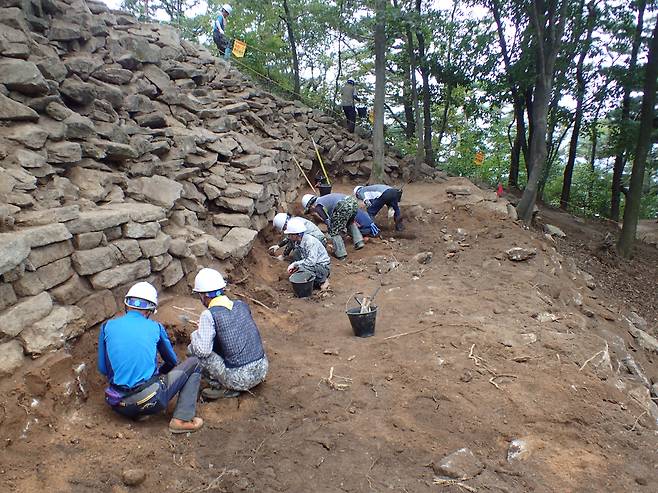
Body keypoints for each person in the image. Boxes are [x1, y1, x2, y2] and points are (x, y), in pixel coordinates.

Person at [98, 282, 203, 434]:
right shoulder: (156, 327)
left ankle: (138, 412)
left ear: (127, 305)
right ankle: (182, 419)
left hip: (118, 404)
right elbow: (172, 362)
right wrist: (160, 373)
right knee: (194, 363)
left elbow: (102, 368)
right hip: (149, 400)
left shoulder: (107, 326)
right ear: (150, 310)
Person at [188, 268, 268, 401]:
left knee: (193, 349)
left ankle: (223, 388)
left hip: (240, 378)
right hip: (262, 369)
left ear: (205, 296)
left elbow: (203, 351)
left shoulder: (209, 314)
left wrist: (196, 334)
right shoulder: (241, 305)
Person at [302, 192, 364, 259]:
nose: (311, 212)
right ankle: (359, 242)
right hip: (352, 202)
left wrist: (330, 229)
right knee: (349, 222)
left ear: (311, 205)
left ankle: (341, 254)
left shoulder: (318, 206)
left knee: (333, 231)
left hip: (343, 206)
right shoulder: (324, 199)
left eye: (310, 210)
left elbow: (327, 219)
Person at [284, 217, 331, 290]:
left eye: (290, 235)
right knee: (298, 263)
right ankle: (314, 281)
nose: (289, 237)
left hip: (322, 267)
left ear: (297, 234)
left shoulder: (310, 242)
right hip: (314, 264)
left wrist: (296, 264)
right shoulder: (298, 242)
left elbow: (311, 262)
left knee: (302, 269)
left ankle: (323, 281)